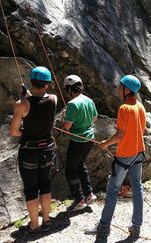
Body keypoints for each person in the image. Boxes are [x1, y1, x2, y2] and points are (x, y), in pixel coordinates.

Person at [85, 75, 146, 239]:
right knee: (137, 188)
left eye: (120, 87)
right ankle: (136, 227)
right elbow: (141, 130)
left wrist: (105, 143)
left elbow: (120, 135)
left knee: (112, 190)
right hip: (139, 153)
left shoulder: (124, 108)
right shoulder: (140, 107)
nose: (119, 90)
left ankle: (104, 228)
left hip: (125, 155)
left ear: (127, 90)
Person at [9, 66, 57, 233]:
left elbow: (15, 131)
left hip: (29, 152)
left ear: (31, 82)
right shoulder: (53, 99)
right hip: (47, 151)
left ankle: (34, 225)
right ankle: (47, 220)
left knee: (31, 188)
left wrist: (25, 98)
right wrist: (28, 96)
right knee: (45, 184)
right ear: (48, 84)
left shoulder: (21, 105)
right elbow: (40, 101)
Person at [62, 75, 99, 211]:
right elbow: (94, 118)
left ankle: (79, 200)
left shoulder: (72, 104)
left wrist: (65, 119)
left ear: (69, 89)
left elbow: (67, 126)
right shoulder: (89, 100)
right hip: (89, 140)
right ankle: (89, 194)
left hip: (77, 141)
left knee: (70, 170)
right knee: (80, 166)